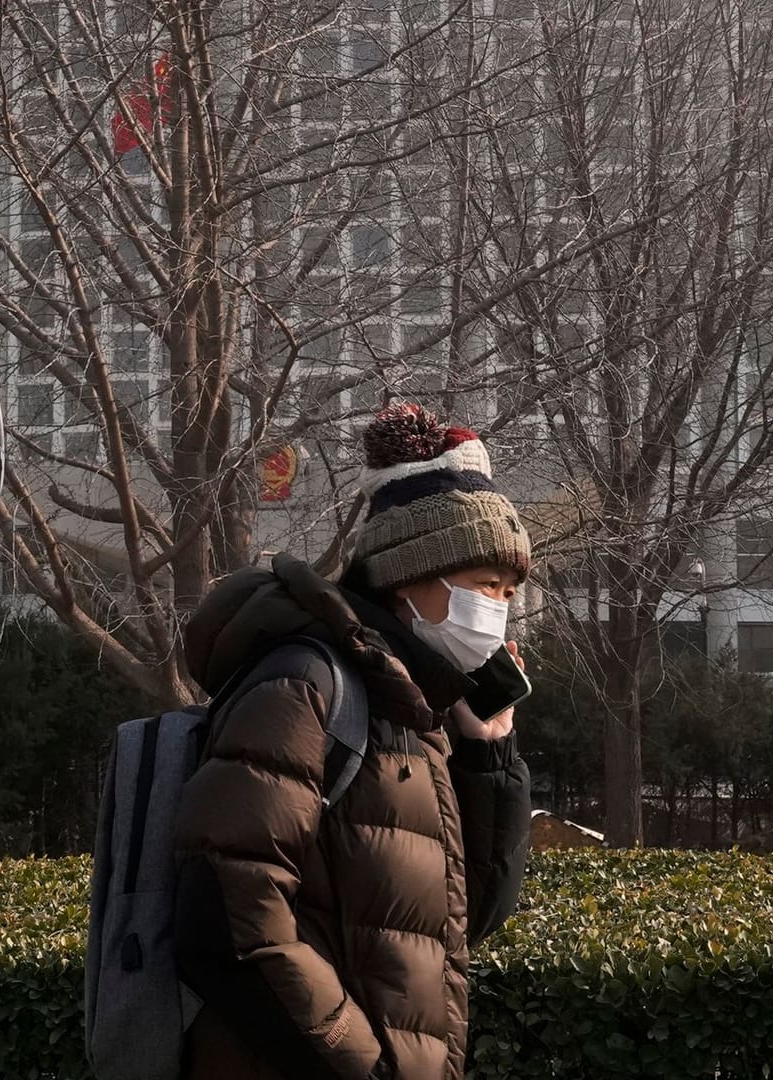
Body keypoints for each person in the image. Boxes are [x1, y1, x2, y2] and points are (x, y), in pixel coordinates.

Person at [173, 403, 534, 1080]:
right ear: (409, 573)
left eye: (510, 590)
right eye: (487, 584)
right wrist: (361, 1067)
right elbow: (225, 918)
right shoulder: (307, 685)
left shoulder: (413, 713)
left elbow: (457, 925)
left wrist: (489, 756)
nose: (500, 608)